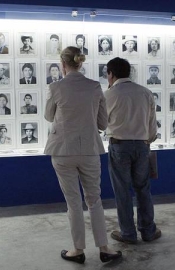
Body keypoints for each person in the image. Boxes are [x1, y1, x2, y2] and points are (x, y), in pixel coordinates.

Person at [45, 47, 121, 264]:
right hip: (89, 149)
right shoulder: (95, 86)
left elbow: (48, 116)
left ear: (63, 64)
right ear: (81, 63)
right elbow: (102, 123)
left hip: (62, 150)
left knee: (73, 202)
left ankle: (77, 249)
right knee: (94, 199)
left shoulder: (56, 87)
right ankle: (104, 248)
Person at [105, 57, 162, 247]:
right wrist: (148, 140)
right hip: (142, 145)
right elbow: (152, 125)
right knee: (143, 188)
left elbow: (102, 123)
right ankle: (148, 230)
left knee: (122, 190)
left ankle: (128, 233)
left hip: (119, 146)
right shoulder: (145, 92)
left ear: (111, 74)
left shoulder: (109, 95)